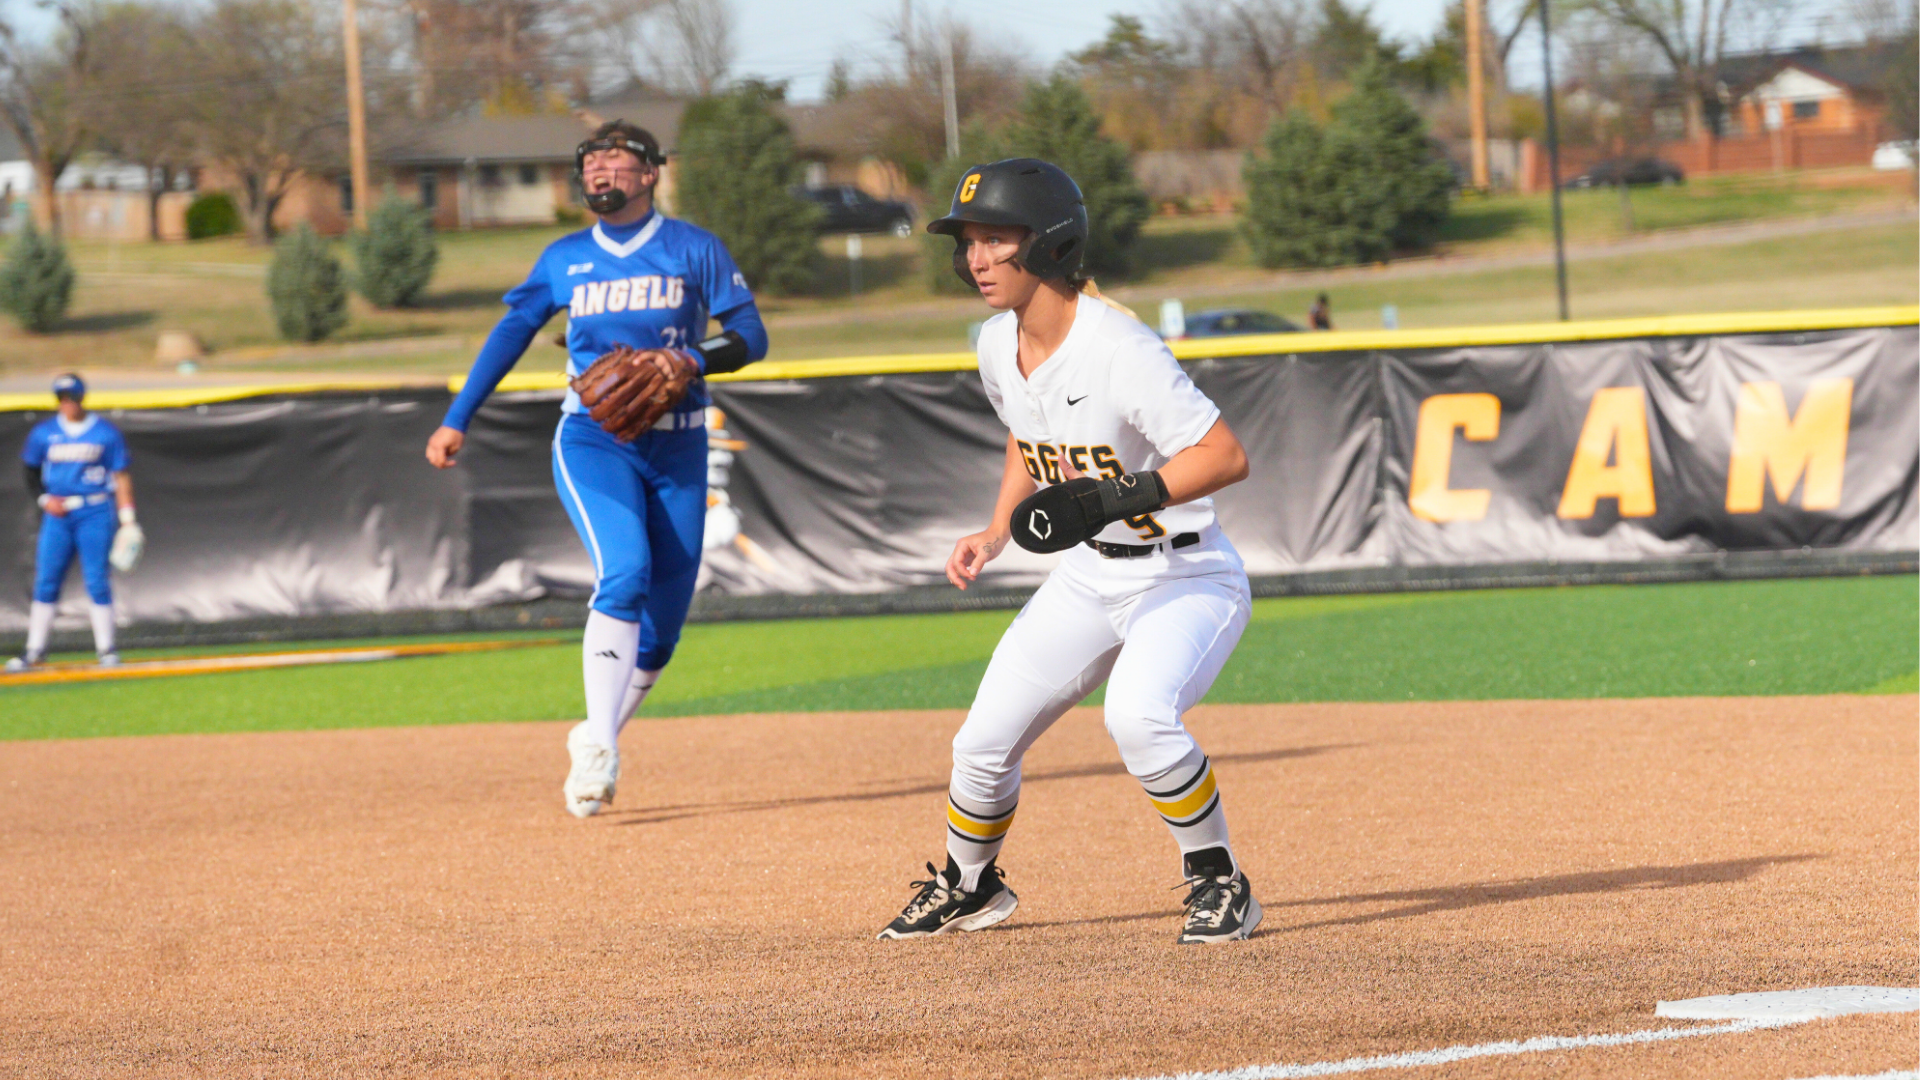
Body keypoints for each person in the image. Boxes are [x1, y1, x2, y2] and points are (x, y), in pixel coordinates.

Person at [876, 159, 1261, 945]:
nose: (976, 259)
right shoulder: (994, 342)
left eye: (996, 239)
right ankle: (970, 885)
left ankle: (1220, 882)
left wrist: (1122, 494)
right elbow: (1029, 432)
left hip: (1185, 575)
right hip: (1087, 578)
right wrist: (994, 529)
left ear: (1049, 243)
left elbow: (1224, 455)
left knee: (1140, 718)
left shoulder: (1119, 346)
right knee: (980, 745)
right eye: (969, 243)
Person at [423, 120, 768, 817]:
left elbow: (752, 338)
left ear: (651, 173)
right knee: (626, 572)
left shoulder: (692, 247)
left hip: (679, 441)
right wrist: (458, 415)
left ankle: (598, 733)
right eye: (590, 161)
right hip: (593, 440)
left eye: (616, 158)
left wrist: (693, 359)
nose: (600, 169)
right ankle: (601, 748)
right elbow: (513, 331)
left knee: (663, 633)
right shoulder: (565, 257)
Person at [9, 374, 141, 671]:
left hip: (94, 509)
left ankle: (106, 649)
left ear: (82, 397)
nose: (67, 403)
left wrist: (128, 519)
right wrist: (44, 500)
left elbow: (121, 476)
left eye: (72, 396)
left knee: (96, 579)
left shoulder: (104, 433)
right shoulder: (45, 433)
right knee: (46, 580)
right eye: (62, 397)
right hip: (59, 514)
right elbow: (30, 472)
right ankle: (34, 650)